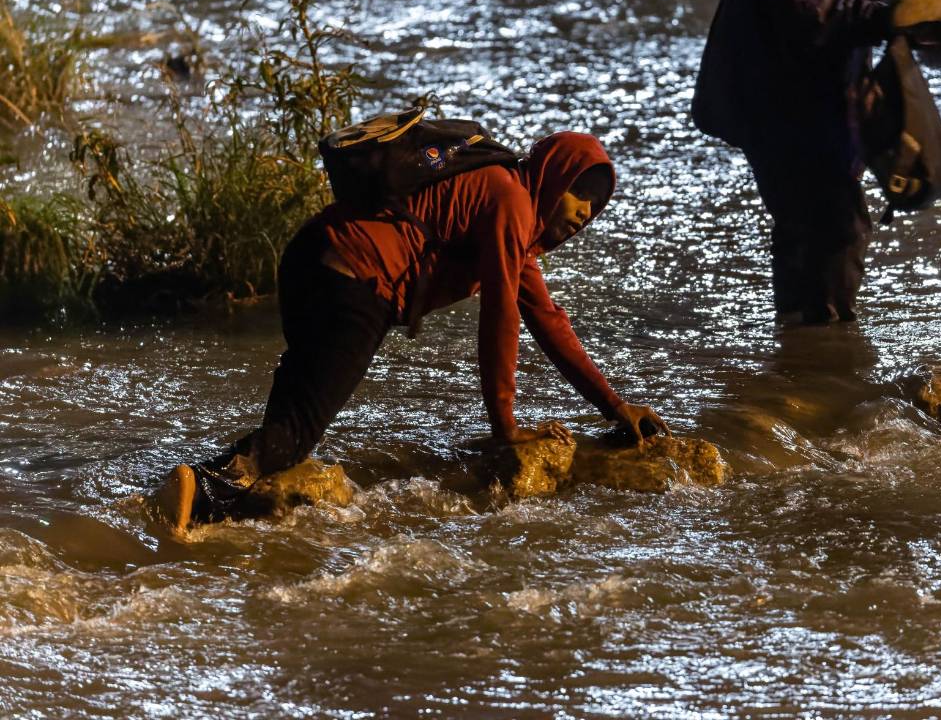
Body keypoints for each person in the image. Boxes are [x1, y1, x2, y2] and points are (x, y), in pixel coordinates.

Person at [153, 131, 670, 532]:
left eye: (595, 207)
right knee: (293, 435)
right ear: (553, 176)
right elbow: (502, 319)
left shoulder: (514, 219)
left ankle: (201, 504)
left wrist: (614, 406)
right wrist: (505, 426)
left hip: (314, 256)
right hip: (354, 277)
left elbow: (550, 324)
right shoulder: (510, 202)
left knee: (293, 425)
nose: (584, 213)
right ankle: (199, 492)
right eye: (580, 194)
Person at [692, 0, 941, 324]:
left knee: (807, 229)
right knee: (834, 231)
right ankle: (823, 365)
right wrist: (882, 16)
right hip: (786, 99)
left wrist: (897, 23)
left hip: (790, 94)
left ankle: (799, 358)